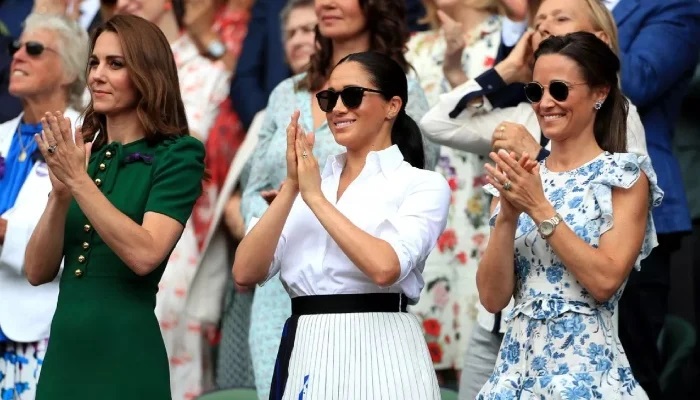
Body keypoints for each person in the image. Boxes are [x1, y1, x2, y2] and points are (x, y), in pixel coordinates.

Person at [240, 0, 435, 397]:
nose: (337, 108)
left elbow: (385, 268)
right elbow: (243, 272)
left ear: (393, 106)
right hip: (301, 328)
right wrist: (294, 188)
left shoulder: (420, 184)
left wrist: (311, 196)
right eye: (329, 99)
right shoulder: (285, 95)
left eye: (353, 96)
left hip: (380, 345)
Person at [24, 14, 205, 399]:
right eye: (94, 62)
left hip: (127, 360)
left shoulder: (178, 155)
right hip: (63, 361)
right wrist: (59, 197)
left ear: (148, 74)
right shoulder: (84, 155)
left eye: (115, 64)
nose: (97, 76)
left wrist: (78, 182)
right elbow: (37, 271)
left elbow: (145, 255)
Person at [475, 32, 662, 399]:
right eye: (535, 91)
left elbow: (605, 280)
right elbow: (493, 299)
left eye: (559, 90)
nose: (545, 103)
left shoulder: (622, 175)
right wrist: (509, 217)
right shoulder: (521, 176)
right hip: (515, 372)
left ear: (600, 93)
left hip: (586, 372)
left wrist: (539, 207)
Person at [185, 0, 318, 390]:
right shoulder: (274, 105)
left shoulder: (352, 106)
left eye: (308, 29)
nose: (298, 40)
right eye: (290, 33)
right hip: (266, 272)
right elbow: (250, 184)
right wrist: (240, 208)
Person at [404, 0, 501, 380]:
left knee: (475, 358)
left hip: (480, 203)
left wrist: (455, 69)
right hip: (424, 208)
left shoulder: (506, 42)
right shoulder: (412, 47)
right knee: (421, 364)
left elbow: (502, 132)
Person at [0, 13, 87, 399]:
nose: (18, 56)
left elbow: (88, 242)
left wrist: (7, 234)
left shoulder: (88, 139)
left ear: (68, 71)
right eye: (15, 47)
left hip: (42, 332)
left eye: (34, 49)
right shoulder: (1, 134)